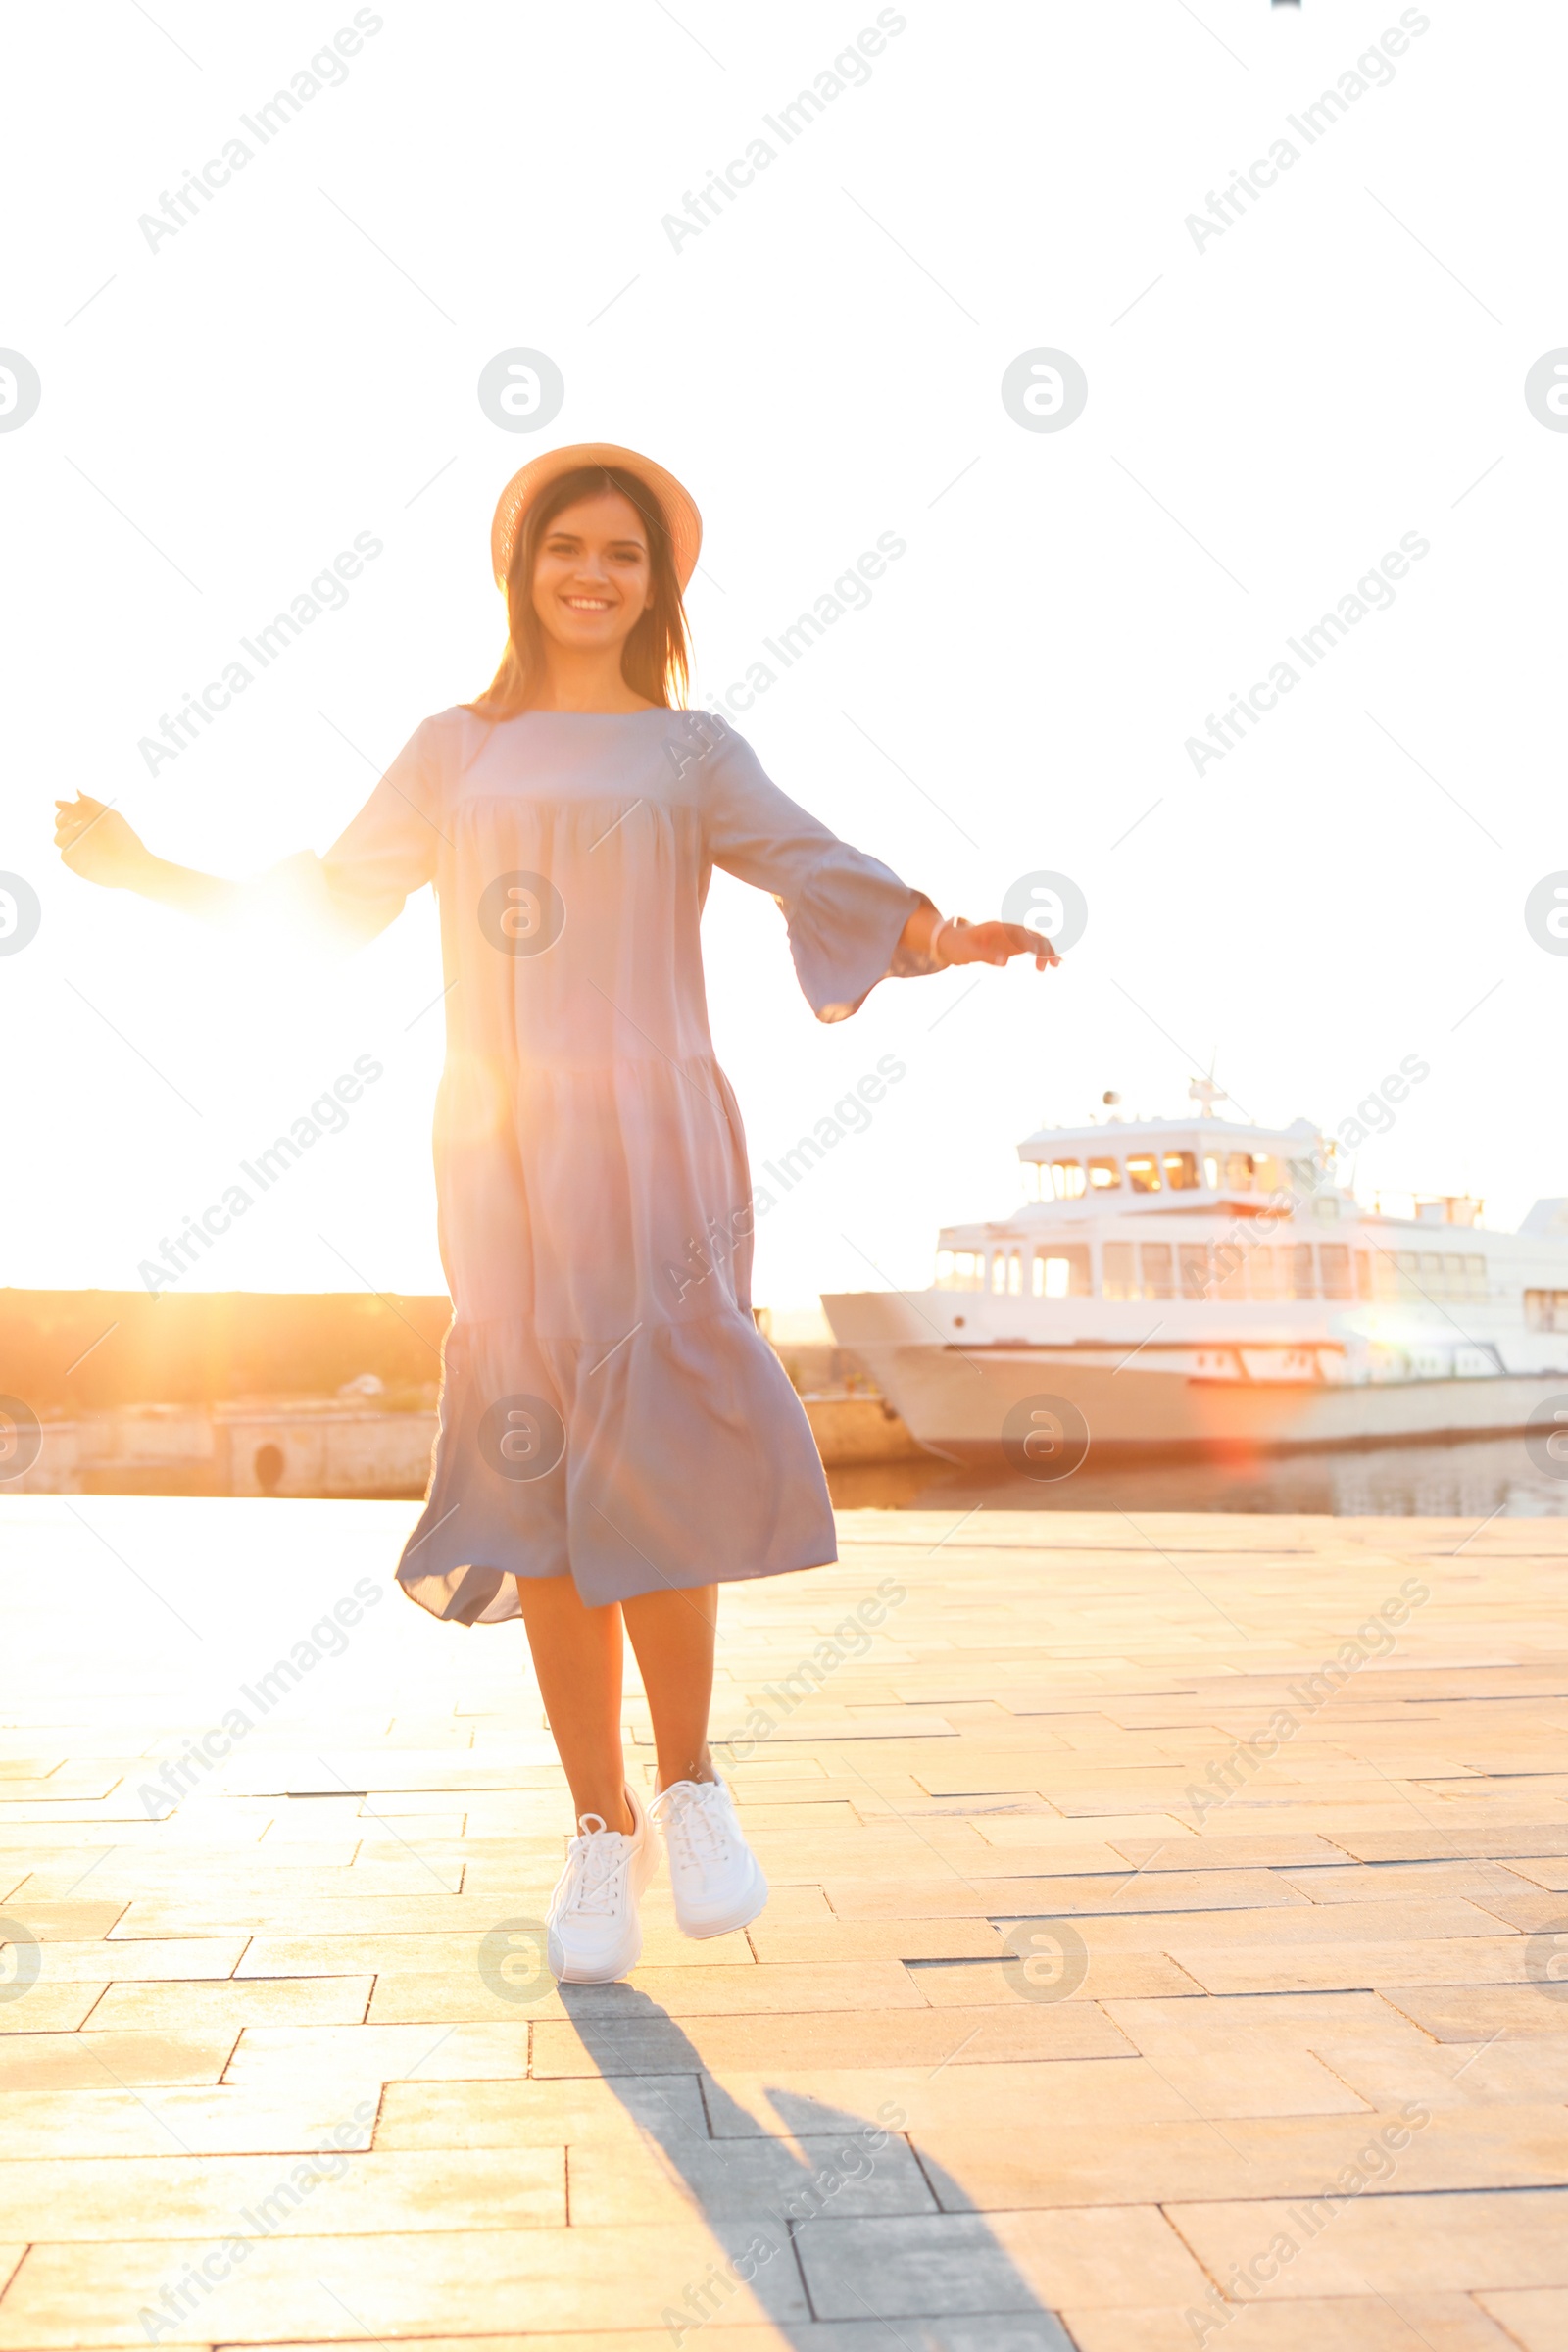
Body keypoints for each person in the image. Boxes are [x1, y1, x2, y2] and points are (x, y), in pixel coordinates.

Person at [55, 442, 1058, 1983]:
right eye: (568, 547)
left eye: (627, 556)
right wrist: (151, 876)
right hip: (504, 1143)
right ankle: (600, 1829)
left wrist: (938, 932)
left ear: (661, 586)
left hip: (656, 1138)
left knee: (656, 1443)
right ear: (520, 567)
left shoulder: (691, 753)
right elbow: (329, 903)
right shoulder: (454, 751)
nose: (595, 573)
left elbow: (810, 862)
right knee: (539, 1464)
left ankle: (693, 1780)